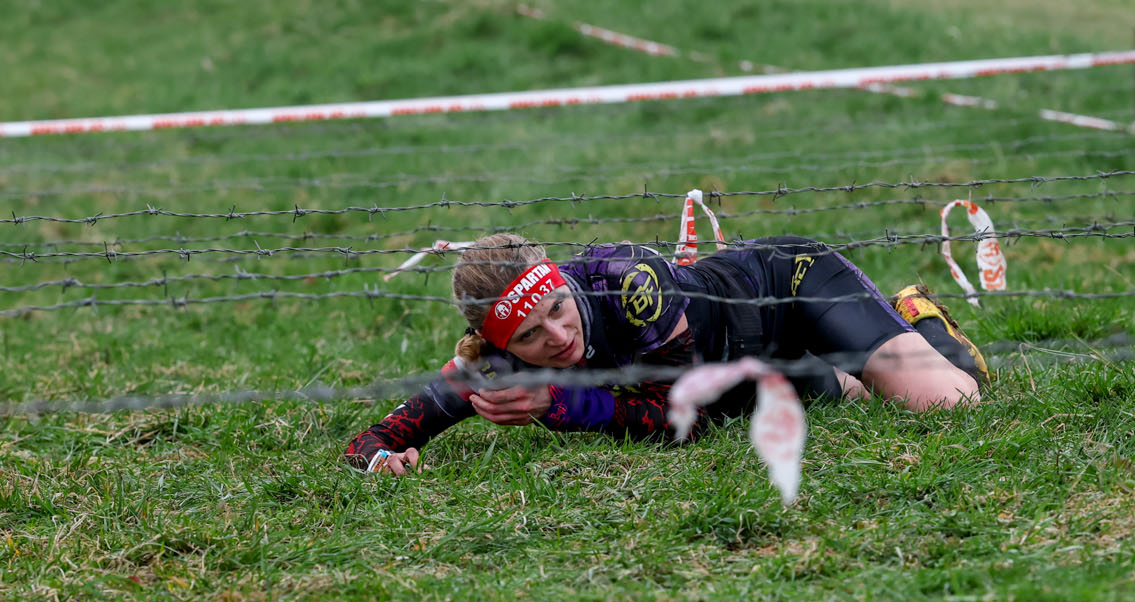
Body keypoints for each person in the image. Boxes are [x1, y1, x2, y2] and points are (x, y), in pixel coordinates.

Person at [344, 233, 987, 475]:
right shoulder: (496, 357)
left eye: (558, 310)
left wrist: (561, 404)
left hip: (786, 291)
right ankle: (855, 366)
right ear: (502, 345)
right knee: (852, 399)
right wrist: (383, 459)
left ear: (563, 283)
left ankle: (917, 319)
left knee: (950, 403)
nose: (557, 337)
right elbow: (374, 437)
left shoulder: (632, 284)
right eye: (531, 337)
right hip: (743, 381)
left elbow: (685, 421)